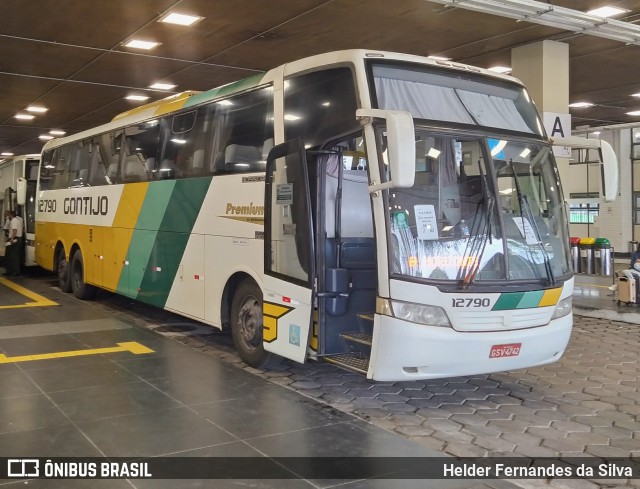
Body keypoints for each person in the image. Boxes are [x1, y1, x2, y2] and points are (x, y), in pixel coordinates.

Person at [4, 210, 23, 276]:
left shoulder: (14, 221)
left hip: (15, 239)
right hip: (15, 238)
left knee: (13, 256)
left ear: (11, 215)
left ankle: (15, 271)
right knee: (10, 255)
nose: (8, 217)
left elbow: (15, 230)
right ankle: (10, 271)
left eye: (8, 215)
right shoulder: (15, 220)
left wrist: (12, 239)